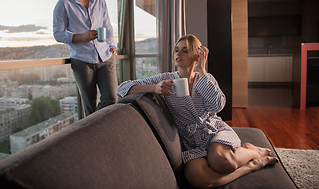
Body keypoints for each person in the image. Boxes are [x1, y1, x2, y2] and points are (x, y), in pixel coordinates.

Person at [117, 34, 278, 188]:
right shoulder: (166, 79)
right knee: (198, 178)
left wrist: (202, 70)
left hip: (215, 132)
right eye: (177, 49)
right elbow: (122, 88)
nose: (178, 53)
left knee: (222, 161)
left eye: (185, 50)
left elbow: (218, 105)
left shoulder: (204, 78)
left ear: (197, 56)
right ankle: (251, 166)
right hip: (192, 143)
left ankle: (253, 151)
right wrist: (155, 88)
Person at [53, 0, 117, 116]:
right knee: (89, 106)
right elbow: (57, 33)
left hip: (105, 58)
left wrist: (112, 46)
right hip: (82, 61)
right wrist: (79, 37)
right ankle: (93, 135)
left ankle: (92, 126)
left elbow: (107, 26)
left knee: (112, 98)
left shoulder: (100, 2)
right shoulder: (63, 4)